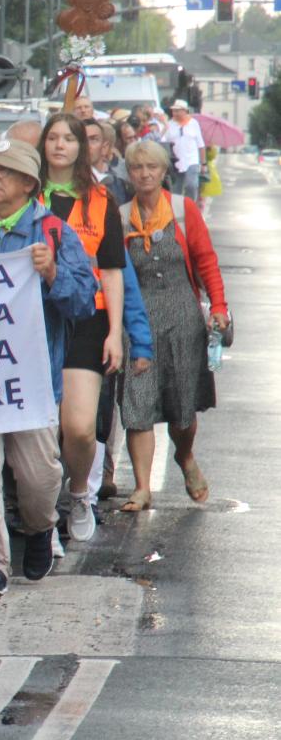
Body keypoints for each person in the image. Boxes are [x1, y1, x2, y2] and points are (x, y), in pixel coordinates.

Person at [0, 137, 98, 597]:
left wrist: (52, 274)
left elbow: (82, 302)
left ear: (29, 184)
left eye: (4, 172)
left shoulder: (54, 232)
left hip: (32, 380)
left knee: (40, 476)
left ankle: (38, 528)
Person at [117, 140, 229, 511]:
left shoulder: (183, 210)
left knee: (183, 407)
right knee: (138, 403)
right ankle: (142, 487)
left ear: (164, 172)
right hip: (138, 318)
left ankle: (185, 456)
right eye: (137, 168)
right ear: (129, 174)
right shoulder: (120, 217)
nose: (145, 174)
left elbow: (206, 260)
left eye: (152, 167)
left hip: (183, 316)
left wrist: (219, 306)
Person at [38, 113, 126, 542]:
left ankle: (79, 494)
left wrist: (115, 332)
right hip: (38, 317)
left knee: (79, 426)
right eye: (52, 138)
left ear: (81, 148)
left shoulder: (101, 199)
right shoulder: (27, 195)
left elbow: (111, 271)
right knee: (42, 427)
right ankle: (44, 512)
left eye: (68, 139)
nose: (60, 146)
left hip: (88, 317)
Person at [159, 99, 204, 200]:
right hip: (176, 162)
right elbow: (161, 140)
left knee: (191, 185)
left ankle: (191, 205)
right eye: (174, 111)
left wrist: (203, 163)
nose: (175, 113)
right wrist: (164, 127)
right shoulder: (170, 124)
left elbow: (201, 144)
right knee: (176, 191)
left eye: (178, 110)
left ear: (185, 111)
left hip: (191, 161)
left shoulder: (193, 123)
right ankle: (177, 211)